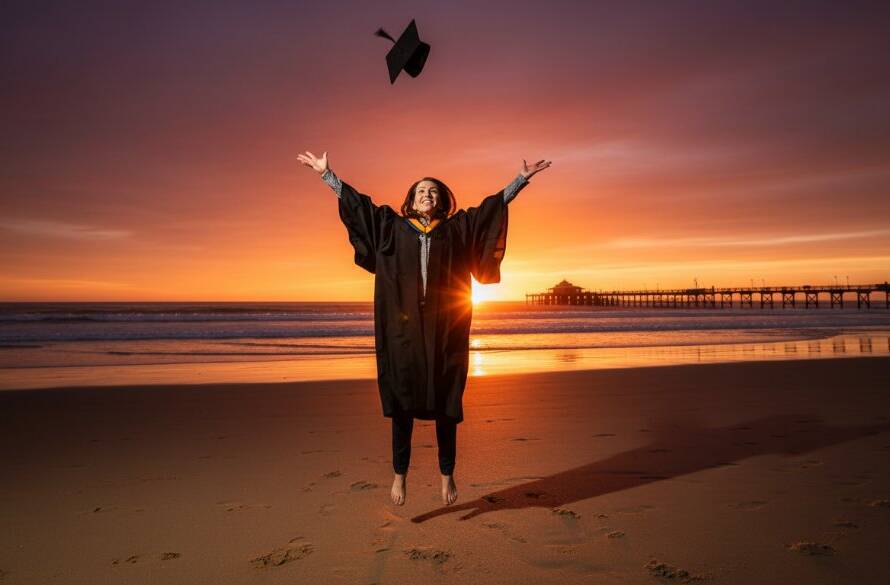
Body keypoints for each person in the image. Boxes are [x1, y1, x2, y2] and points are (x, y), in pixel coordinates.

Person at [297, 150, 551, 506]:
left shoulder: (457, 228)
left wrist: (520, 180)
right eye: (420, 191)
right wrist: (327, 175)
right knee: (402, 403)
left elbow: (488, 211)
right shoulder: (391, 226)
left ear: (442, 200)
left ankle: (447, 474)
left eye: (433, 191)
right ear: (411, 200)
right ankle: (399, 475)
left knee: (447, 402)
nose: (427, 195)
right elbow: (359, 208)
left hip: (445, 328)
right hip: (402, 332)